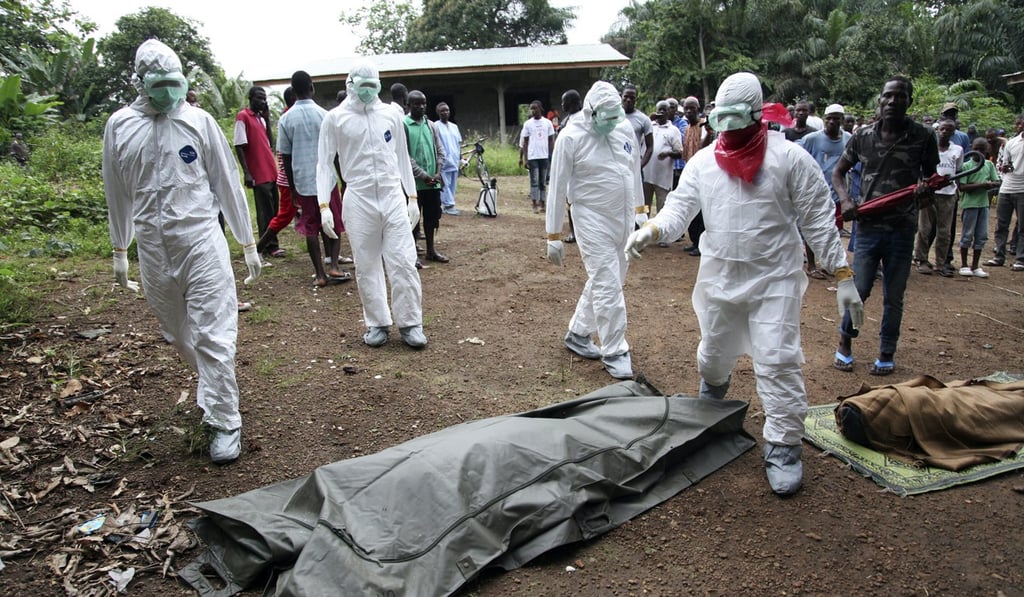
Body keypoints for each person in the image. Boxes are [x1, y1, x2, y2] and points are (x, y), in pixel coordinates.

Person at [624, 72, 862, 496]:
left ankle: (783, 444)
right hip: (720, 277)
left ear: (757, 114)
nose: (728, 127)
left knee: (777, 360)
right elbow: (679, 208)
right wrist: (653, 229)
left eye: (737, 117)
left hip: (775, 279)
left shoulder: (789, 159)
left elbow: (818, 220)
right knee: (713, 356)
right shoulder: (702, 163)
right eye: (722, 118)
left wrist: (842, 273)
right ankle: (710, 412)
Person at [102, 39, 262, 463]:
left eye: (176, 83)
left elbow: (227, 181)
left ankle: (226, 419)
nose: (170, 91)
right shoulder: (120, 126)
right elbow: (115, 190)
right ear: (141, 82)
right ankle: (212, 385)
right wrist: (120, 249)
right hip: (153, 248)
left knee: (214, 332)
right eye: (161, 84)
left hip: (201, 240)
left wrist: (247, 242)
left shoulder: (200, 121)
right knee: (177, 332)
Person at [833, 75, 939, 377]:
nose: (893, 102)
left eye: (900, 96)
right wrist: (846, 201)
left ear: (909, 101)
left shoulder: (923, 137)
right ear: (880, 100)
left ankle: (886, 351)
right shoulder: (863, 136)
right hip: (867, 227)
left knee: (894, 296)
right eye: (888, 96)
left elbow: (930, 181)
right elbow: (839, 173)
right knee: (860, 290)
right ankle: (845, 343)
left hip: (903, 229)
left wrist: (923, 191)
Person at [317, 61, 427, 348]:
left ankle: (410, 322)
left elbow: (403, 156)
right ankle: (377, 322)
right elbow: (324, 163)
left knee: (403, 260)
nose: (367, 92)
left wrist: (412, 197)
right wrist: (323, 205)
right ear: (350, 84)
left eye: (372, 86)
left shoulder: (391, 114)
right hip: (359, 196)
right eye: (362, 86)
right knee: (367, 264)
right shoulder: (335, 119)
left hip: (392, 195)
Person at [547, 81, 644, 380]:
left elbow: (634, 171)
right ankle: (615, 349)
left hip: (624, 217)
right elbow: (557, 186)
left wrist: (641, 213)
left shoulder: (624, 129)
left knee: (612, 278)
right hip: (591, 218)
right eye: (608, 117)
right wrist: (553, 235)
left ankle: (578, 333)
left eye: (617, 116)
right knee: (606, 281)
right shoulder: (571, 138)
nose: (613, 122)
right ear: (591, 112)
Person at [277, 71, 349, 288]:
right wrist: (342, 177)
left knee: (310, 226)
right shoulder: (325, 115)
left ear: (293, 89)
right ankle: (334, 265)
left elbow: (285, 156)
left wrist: (291, 188)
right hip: (326, 180)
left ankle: (319, 274)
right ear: (312, 87)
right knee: (333, 220)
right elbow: (335, 152)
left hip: (303, 181)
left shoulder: (285, 119)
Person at [799, 104, 851, 278]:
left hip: (838, 193)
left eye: (836, 118)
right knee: (812, 227)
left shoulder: (848, 139)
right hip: (814, 192)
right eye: (828, 118)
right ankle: (812, 265)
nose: (831, 121)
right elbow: (800, 161)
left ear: (841, 120)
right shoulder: (812, 139)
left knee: (833, 229)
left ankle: (831, 263)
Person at [234, 86, 281, 260]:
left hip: (270, 170)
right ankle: (267, 246)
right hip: (258, 173)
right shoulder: (243, 117)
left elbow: (270, 141)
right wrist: (247, 173)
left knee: (275, 210)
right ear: (251, 98)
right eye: (259, 98)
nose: (263, 101)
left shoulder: (261, 118)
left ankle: (272, 244)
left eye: (264, 98)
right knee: (264, 212)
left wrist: (268, 120)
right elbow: (239, 145)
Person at [913, 119, 963, 277]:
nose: (944, 132)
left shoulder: (957, 150)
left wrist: (957, 191)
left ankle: (941, 263)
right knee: (924, 228)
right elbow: (920, 169)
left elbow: (959, 170)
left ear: (952, 133)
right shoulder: (929, 148)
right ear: (937, 130)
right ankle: (921, 259)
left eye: (948, 130)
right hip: (929, 193)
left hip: (948, 194)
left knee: (944, 231)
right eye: (942, 129)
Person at [406, 90, 448, 263]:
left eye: (423, 103)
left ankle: (431, 250)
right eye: (417, 104)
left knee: (432, 217)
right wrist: (423, 176)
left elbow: (440, 150)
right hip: (414, 184)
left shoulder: (431, 125)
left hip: (433, 183)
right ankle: (412, 254)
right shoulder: (403, 125)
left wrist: (437, 173)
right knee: (413, 220)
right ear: (408, 106)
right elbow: (405, 156)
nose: (421, 106)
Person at [957, 138, 1000, 277]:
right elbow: (962, 187)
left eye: (983, 149)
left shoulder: (988, 165)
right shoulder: (966, 166)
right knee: (967, 234)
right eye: (977, 149)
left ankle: (975, 266)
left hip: (984, 204)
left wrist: (991, 184)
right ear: (972, 148)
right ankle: (964, 264)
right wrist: (982, 185)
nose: (980, 152)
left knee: (981, 235)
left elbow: (997, 180)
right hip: (970, 204)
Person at [988, 114, 1024, 271]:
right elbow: (1005, 164)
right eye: (1017, 124)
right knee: (1001, 223)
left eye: (1021, 124)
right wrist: (1005, 169)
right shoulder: (1012, 143)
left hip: (1023, 189)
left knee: (1022, 226)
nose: (1019, 126)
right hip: (1007, 187)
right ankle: (998, 255)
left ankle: (1020, 259)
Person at [641, 100, 682, 229]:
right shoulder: (649, 126)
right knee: (643, 205)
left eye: (665, 109)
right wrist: (649, 119)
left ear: (670, 111)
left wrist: (668, 153)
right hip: (646, 175)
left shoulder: (673, 130)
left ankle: (662, 235)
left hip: (663, 179)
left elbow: (679, 152)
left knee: (662, 207)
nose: (662, 112)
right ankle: (641, 230)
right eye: (660, 110)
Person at [680, 96, 712, 255]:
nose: (688, 111)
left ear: (698, 109)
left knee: (702, 212)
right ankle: (694, 241)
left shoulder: (704, 126)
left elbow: (705, 148)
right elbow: (685, 153)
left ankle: (701, 244)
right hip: (690, 174)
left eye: (692, 108)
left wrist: (708, 133)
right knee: (691, 209)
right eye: (686, 108)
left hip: (704, 174)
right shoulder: (687, 129)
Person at [519, 100, 555, 213]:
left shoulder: (547, 123)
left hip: (544, 156)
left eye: (535, 108)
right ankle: (534, 203)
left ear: (540, 108)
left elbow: (551, 140)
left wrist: (551, 155)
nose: (533, 111)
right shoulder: (528, 124)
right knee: (534, 180)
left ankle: (543, 203)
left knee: (543, 181)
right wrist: (525, 158)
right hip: (533, 156)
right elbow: (525, 142)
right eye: (531, 108)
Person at [558, 89, 583, 244]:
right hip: (570, 167)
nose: (562, 105)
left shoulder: (586, 119)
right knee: (570, 203)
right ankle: (573, 232)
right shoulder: (566, 121)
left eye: (564, 102)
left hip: (583, 168)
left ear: (572, 102)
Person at [435, 102, 462, 216]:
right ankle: (448, 205)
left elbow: (458, 143)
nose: (445, 112)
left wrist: (460, 157)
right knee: (444, 183)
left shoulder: (454, 127)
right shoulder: (435, 126)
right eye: (442, 111)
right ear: (438, 113)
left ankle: (449, 203)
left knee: (453, 183)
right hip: (444, 161)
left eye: (447, 110)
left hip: (454, 160)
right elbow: (435, 144)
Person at [621, 84, 654, 169]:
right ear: (621, 97)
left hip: (634, 162)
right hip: (617, 163)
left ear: (636, 99)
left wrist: (640, 166)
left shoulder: (644, 119)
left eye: (632, 97)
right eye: (626, 96)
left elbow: (650, 147)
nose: (628, 100)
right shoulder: (613, 116)